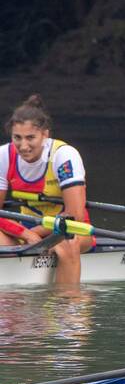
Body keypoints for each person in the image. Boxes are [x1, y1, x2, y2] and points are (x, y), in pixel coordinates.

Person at [0, 95, 93, 285]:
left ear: (45, 135)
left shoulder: (64, 156)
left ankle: (68, 306)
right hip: (26, 230)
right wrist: (26, 234)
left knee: (67, 241)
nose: (23, 146)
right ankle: (11, 305)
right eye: (17, 138)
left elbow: (74, 216)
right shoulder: (4, 155)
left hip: (70, 230)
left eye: (30, 138)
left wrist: (34, 234)